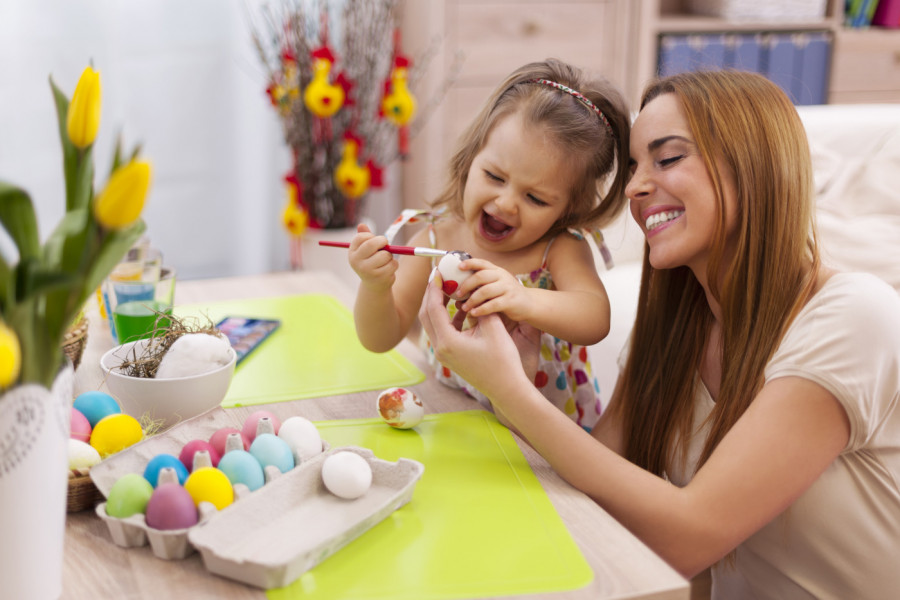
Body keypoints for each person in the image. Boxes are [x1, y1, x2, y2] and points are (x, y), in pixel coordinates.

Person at [419, 69, 900, 598]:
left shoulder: (854, 317)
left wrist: (509, 391)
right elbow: (596, 482)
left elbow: (690, 539)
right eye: (632, 167)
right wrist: (520, 379)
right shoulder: (675, 331)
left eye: (667, 158)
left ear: (755, 168)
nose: (635, 188)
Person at [348, 58, 631, 430]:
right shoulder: (438, 237)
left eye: (536, 199)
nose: (506, 203)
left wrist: (524, 298)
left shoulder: (557, 248)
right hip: (457, 421)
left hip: (545, 438)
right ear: (471, 158)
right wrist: (374, 286)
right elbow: (379, 339)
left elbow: (595, 318)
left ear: (567, 209)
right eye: (494, 176)